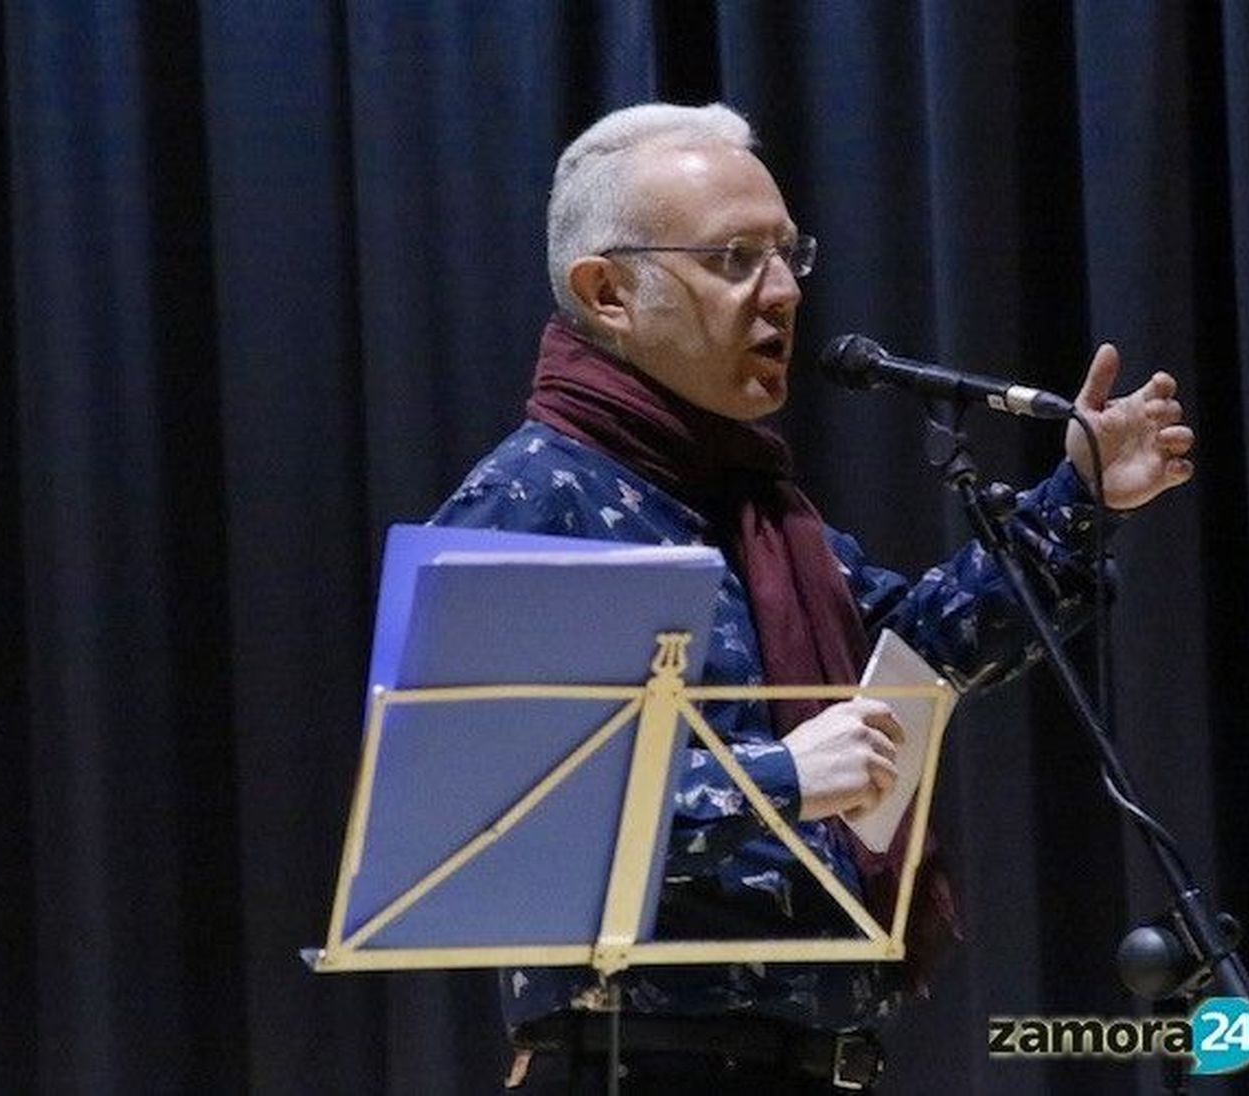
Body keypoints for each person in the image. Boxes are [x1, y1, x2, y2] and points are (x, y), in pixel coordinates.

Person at [429, 102, 1194, 1093]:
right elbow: (498, 824)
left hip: (816, 1062)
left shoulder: (750, 506)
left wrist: (1075, 505)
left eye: (790, 254)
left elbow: (917, 659)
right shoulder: (535, 502)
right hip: (641, 1065)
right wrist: (781, 778)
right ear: (607, 291)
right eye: (735, 258)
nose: (784, 291)